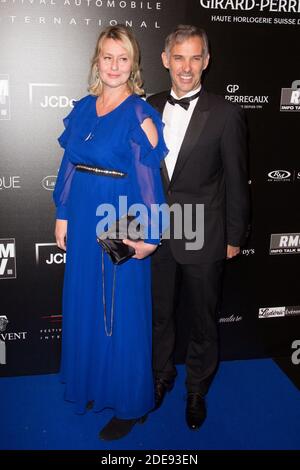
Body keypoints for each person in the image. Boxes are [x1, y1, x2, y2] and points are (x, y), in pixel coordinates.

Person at [53, 25, 168, 441]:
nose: (115, 65)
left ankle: (131, 403)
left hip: (121, 215)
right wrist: (63, 212)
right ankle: (93, 385)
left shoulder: (139, 113)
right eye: (107, 56)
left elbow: (150, 184)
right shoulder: (84, 106)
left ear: (133, 64)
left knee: (119, 311)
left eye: (123, 58)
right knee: (86, 303)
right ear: (96, 61)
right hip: (84, 214)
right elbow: (70, 164)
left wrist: (150, 237)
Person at [147, 25, 249, 430]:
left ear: (206, 61)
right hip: (155, 234)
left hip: (205, 232)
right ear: (165, 60)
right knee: (158, 315)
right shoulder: (145, 107)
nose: (186, 67)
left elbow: (238, 180)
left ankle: (196, 390)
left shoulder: (226, 114)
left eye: (194, 57)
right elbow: (134, 178)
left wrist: (235, 236)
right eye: (178, 57)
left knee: (204, 319)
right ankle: (159, 378)